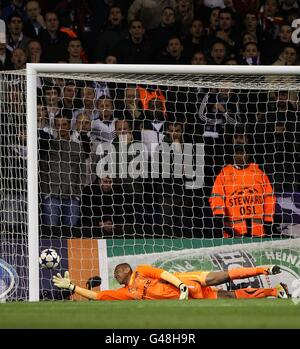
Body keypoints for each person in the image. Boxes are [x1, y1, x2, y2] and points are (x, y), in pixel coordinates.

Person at [53, 263, 290, 300]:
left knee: (223, 276)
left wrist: (181, 285)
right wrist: (73, 287)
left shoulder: (141, 270)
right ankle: (275, 290)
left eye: (118, 272)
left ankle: (265, 268)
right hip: (188, 297)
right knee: (231, 296)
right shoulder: (127, 293)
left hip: (187, 281)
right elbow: (98, 296)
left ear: (126, 270)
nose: (116, 275)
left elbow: (163, 274)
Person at [209, 145, 276, 237]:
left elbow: (269, 197)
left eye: (242, 153)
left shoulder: (258, 173)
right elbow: (217, 195)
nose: (239, 156)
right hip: (234, 230)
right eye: (237, 153)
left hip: (257, 229)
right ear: (233, 156)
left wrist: (268, 219)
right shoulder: (225, 173)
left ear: (247, 155)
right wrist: (218, 214)